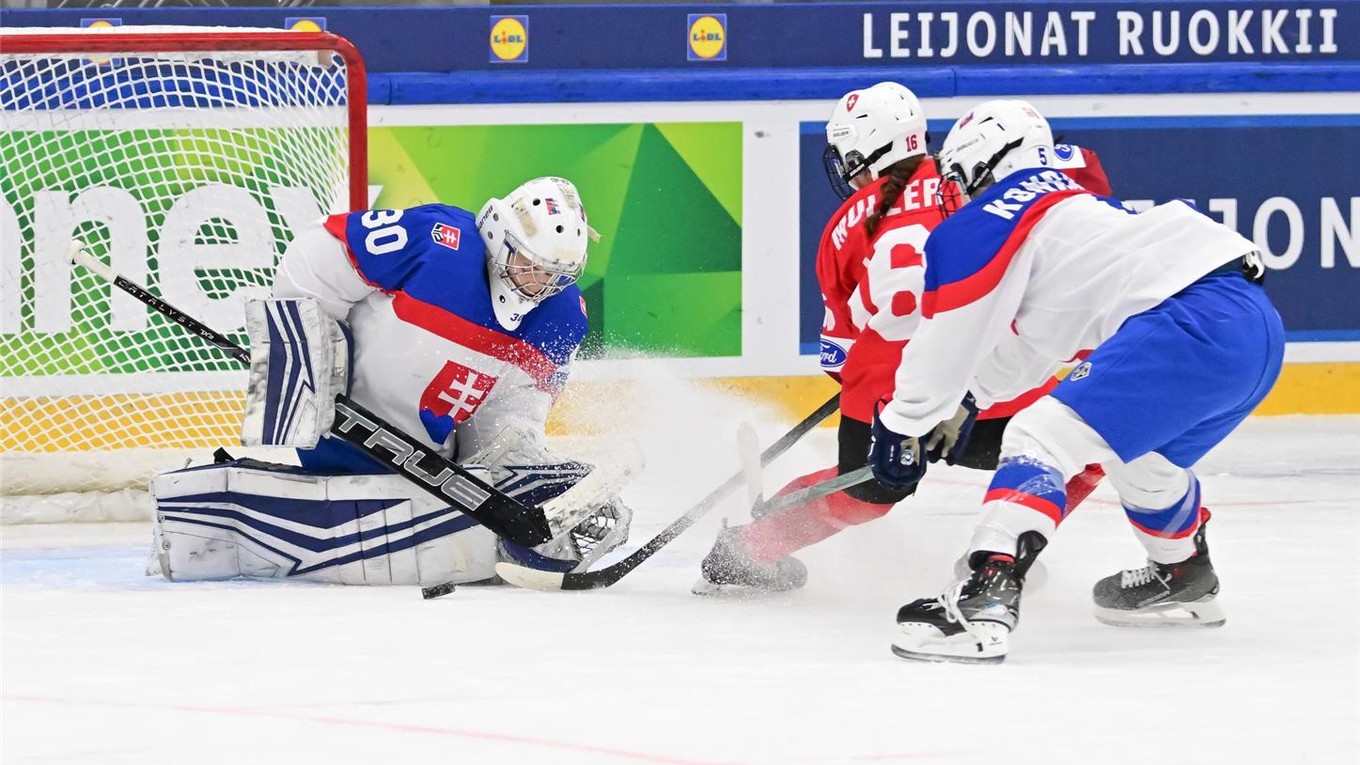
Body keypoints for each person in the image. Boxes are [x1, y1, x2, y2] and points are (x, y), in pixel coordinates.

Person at [870, 100, 1283, 663]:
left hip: (1193, 322)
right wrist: (969, 398)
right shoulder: (1073, 213)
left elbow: (950, 328)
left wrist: (904, 420)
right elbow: (1040, 339)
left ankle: (982, 604)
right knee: (1145, 461)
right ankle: (1182, 571)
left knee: (1038, 435)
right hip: (1254, 330)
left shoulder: (998, 210)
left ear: (979, 164)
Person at [694, 83, 1109, 595]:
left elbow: (841, 348)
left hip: (889, 391)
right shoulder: (975, 180)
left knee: (864, 492)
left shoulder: (844, 227)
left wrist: (870, 385)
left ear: (859, 153)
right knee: (1086, 447)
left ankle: (747, 550)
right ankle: (1002, 548)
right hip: (989, 375)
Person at [148, 176, 632, 586]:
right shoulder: (438, 237)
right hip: (335, 412)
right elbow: (319, 250)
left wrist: (503, 467)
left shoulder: (562, 315)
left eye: (556, 273)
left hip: (425, 453)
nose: (540, 283)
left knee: (507, 466)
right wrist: (307, 354)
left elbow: (514, 402)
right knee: (318, 450)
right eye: (531, 264)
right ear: (499, 235)